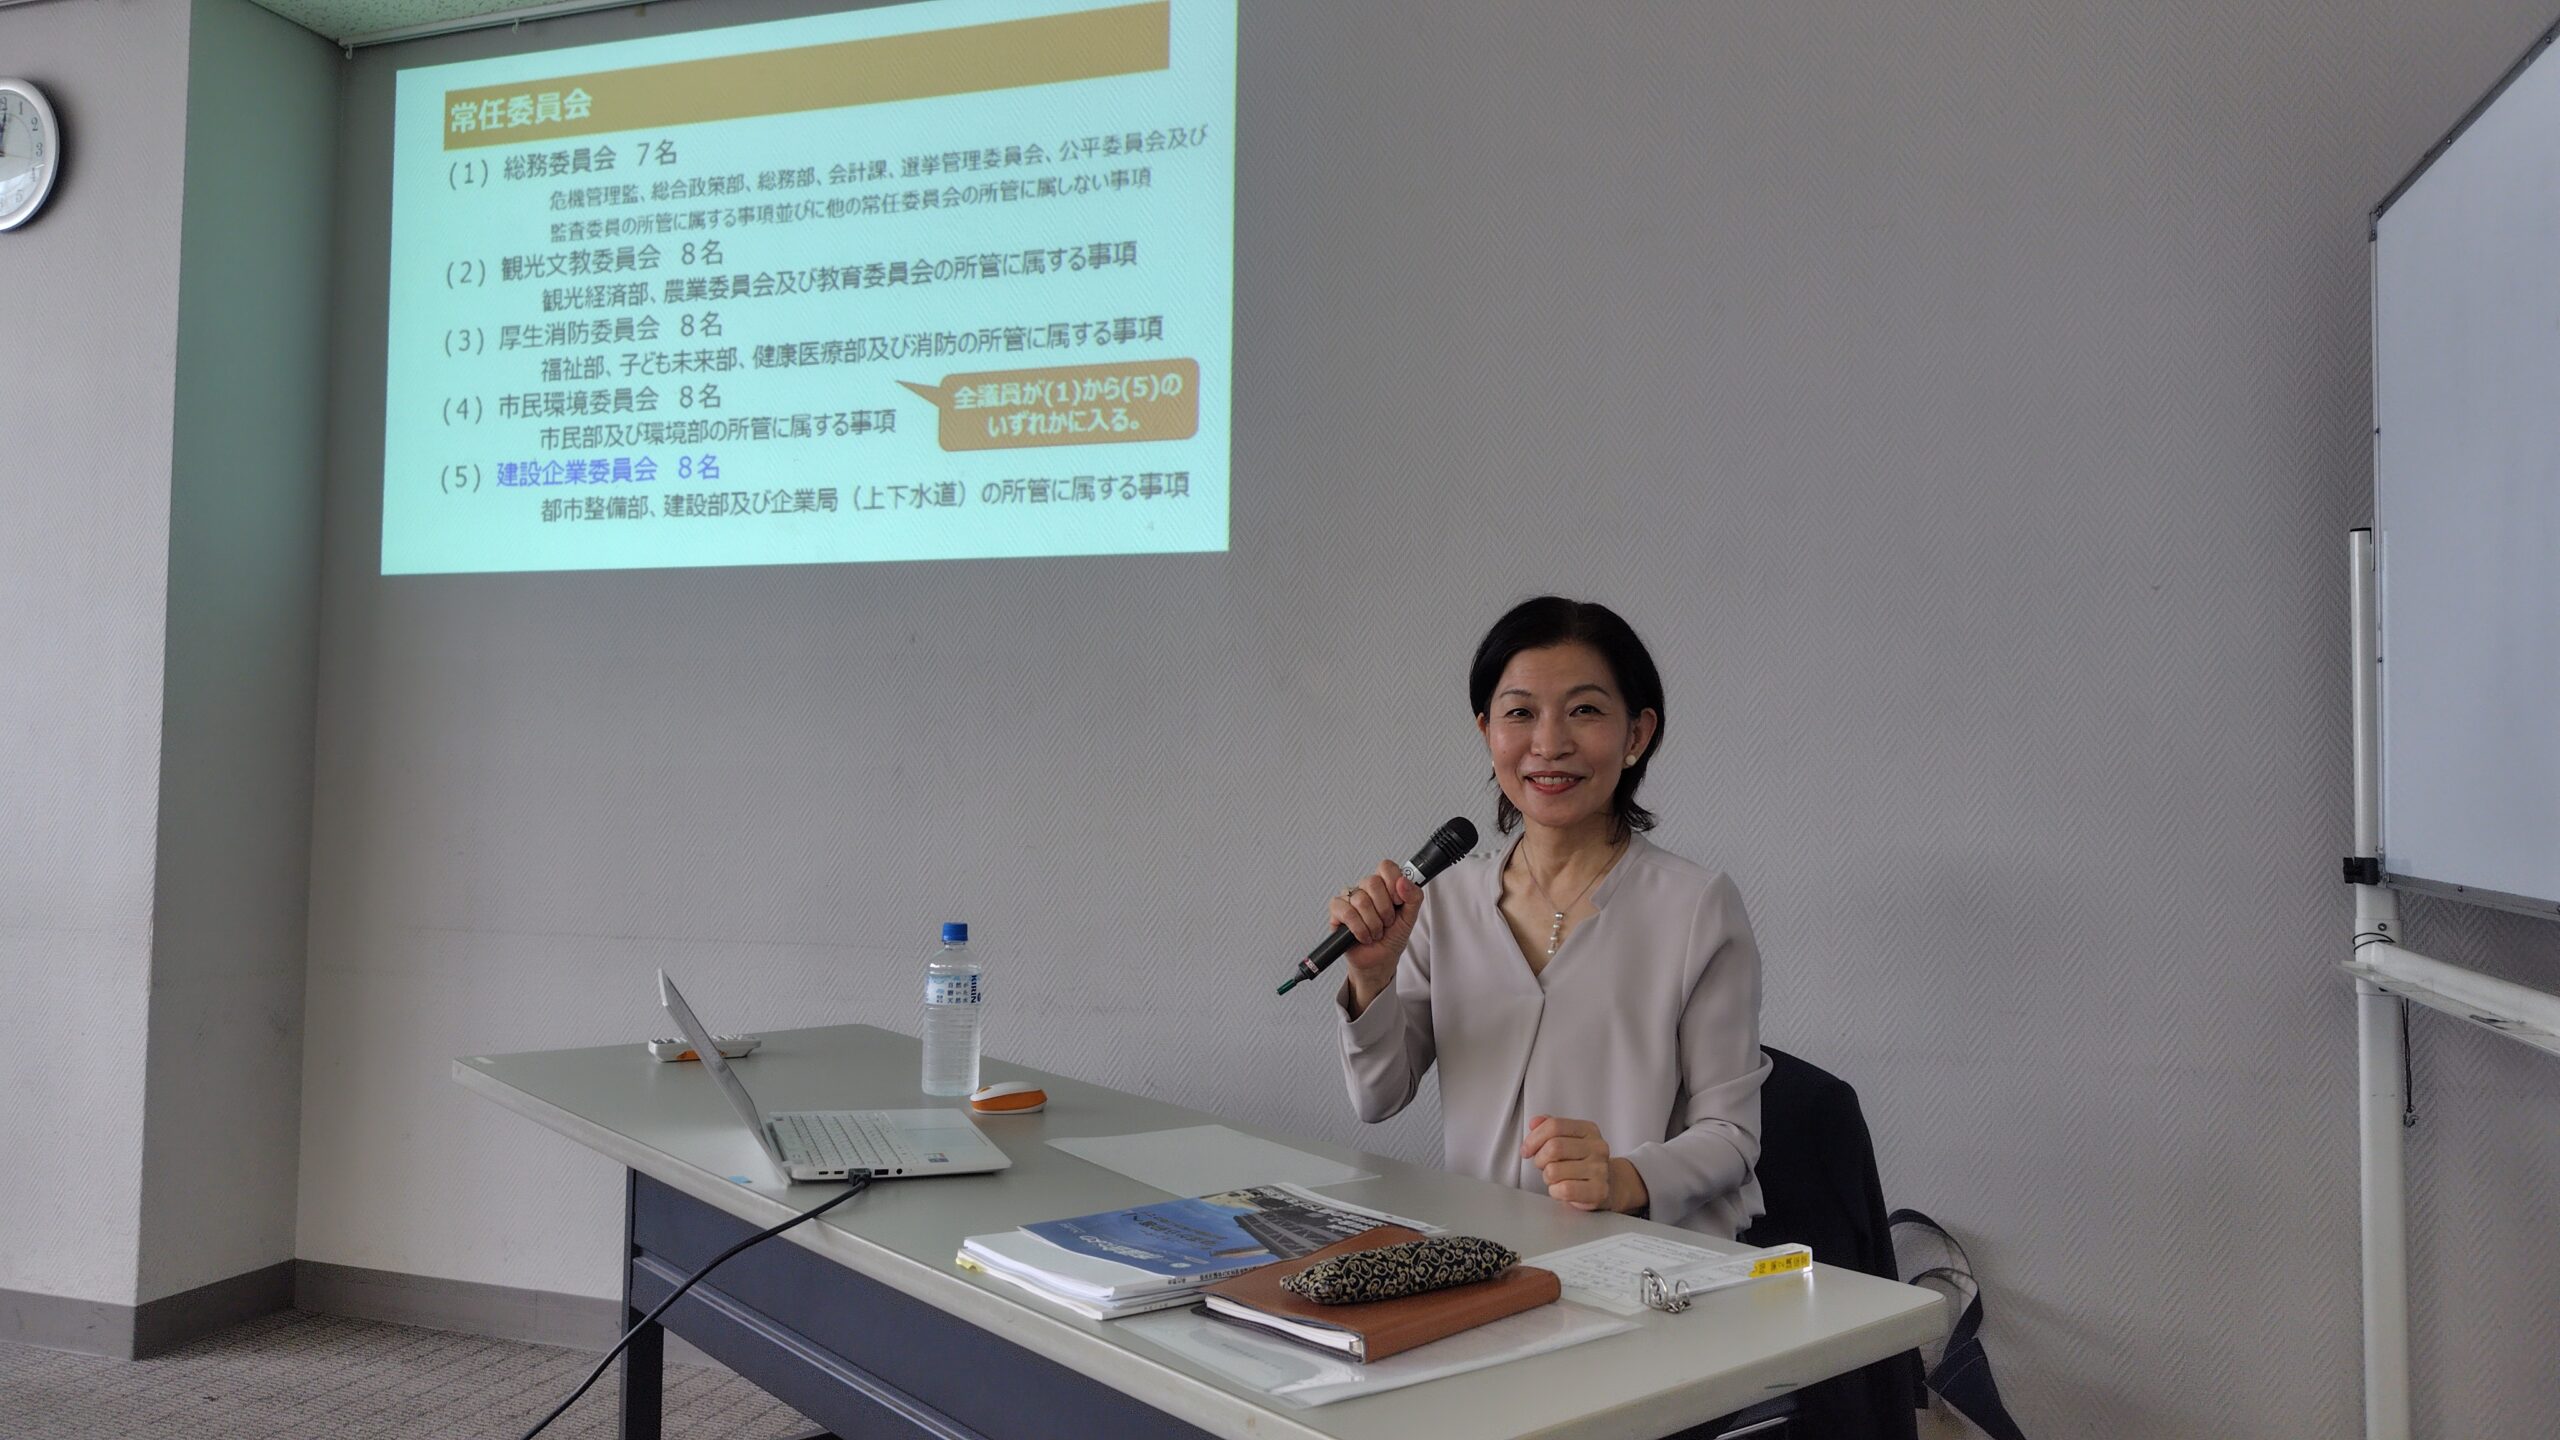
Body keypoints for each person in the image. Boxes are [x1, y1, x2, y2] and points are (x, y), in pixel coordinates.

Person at [1330, 596, 1769, 1238]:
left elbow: (1731, 1135)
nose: (1549, 744)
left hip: (1640, 1265)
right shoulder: (1445, 901)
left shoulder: (1696, 907)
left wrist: (1624, 1178)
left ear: (1637, 735)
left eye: (1585, 711)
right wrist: (1371, 978)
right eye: (1520, 713)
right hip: (1484, 1261)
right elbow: (1377, 1098)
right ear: (1488, 733)